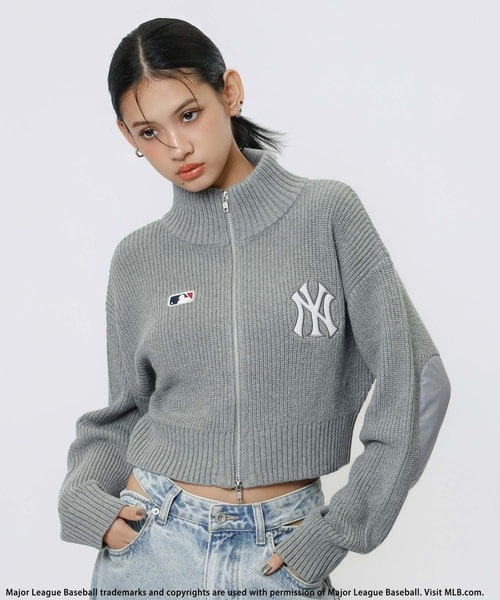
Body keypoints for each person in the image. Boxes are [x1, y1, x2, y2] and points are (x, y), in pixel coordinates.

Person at [58, 17, 451, 594]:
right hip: (153, 544)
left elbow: (419, 380)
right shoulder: (138, 258)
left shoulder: (327, 215)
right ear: (127, 137)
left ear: (230, 92)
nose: (177, 147)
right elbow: (123, 415)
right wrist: (84, 501)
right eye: (149, 132)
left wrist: (342, 528)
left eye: (189, 114)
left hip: (283, 547)